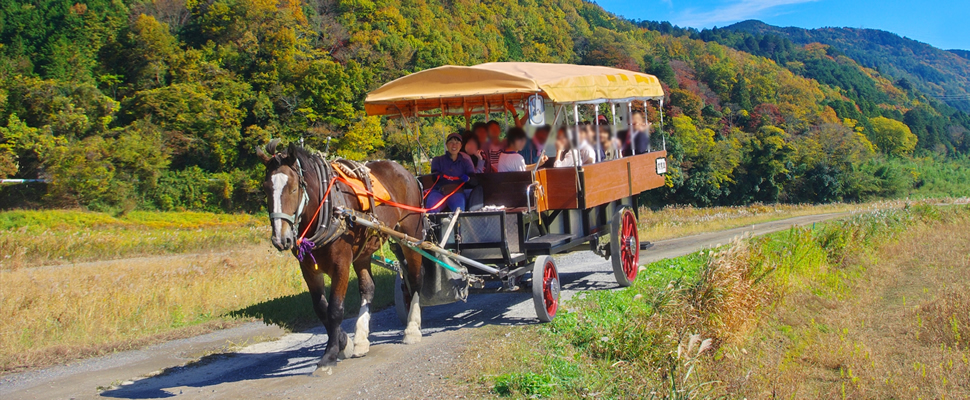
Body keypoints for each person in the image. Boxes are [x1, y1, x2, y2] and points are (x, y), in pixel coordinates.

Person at [426, 132, 475, 213]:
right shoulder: (437, 160)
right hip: (439, 191)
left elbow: (474, 181)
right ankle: (432, 225)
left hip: (457, 192)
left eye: (457, 143)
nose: (454, 145)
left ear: (461, 145)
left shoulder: (465, 162)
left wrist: (468, 179)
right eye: (451, 142)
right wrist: (439, 175)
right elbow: (434, 178)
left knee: (458, 212)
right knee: (431, 209)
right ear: (446, 145)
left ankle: (457, 225)